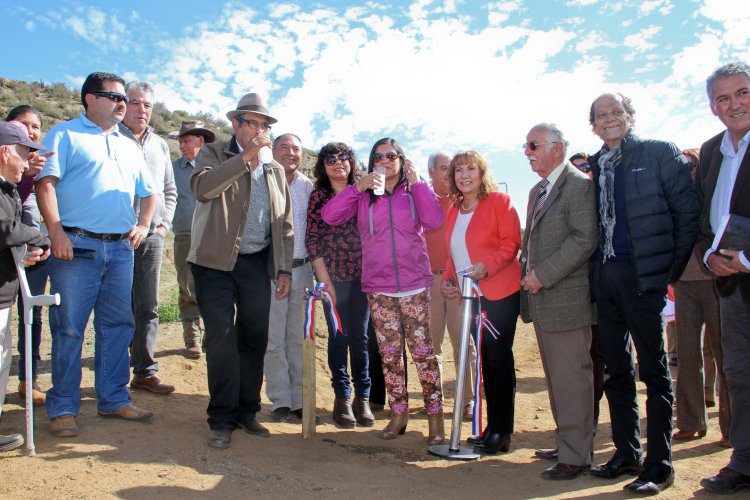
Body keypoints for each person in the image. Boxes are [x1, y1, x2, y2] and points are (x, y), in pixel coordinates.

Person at [586, 92, 700, 495]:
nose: (610, 119)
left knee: (654, 374)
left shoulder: (658, 153)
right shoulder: (596, 164)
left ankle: (660, 464)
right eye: (602, 115)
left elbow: (687, 214)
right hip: (607, 280)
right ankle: (626, 453)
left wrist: (665, 271)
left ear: (630, 116)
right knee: (617, 371)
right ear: (594, 125)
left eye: (617, 111)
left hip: (645, 280)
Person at [36, 71, 157, 438]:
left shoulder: (128, 145)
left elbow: (149, 191)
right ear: (90, 98)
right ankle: (63, 407)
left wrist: (144, 224)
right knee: (70, 328)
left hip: (121, 248)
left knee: (118, 326)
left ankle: (113, 398)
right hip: (77, 246)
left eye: (125, 99)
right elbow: (45, 184)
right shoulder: (64, 134)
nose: (123, 104)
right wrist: (55, 232)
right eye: (115, 97)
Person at [188, 92, 293, 449]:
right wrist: (246, 159)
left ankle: (247, 412)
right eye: (253, 123)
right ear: (236, 124)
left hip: (254, 263)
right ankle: (221, 418)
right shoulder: (214, 153)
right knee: (221, 338)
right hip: (213, 263)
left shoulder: (276, 170)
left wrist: (284, 270)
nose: (260, 130)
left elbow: (285, 224)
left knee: (254, 339)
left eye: (265, 124)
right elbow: (203, 189)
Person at [323, 138, 444, 444]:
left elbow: (433, 220)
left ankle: (435, 419)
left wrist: (417, 184)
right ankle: (399, 414)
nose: (385, 160)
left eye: (392, 155)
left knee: (423, 354)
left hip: (415, 285)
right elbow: (330, 216)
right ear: (372, 162)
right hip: (379, 288)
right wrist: (356, 187)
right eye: (378, 156)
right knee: (390, 356)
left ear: (402, 160)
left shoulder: (414, 191)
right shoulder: (364, 196)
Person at [519, 125, 597, 479]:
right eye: (526, 146)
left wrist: (542, 276)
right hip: (544, 303)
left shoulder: (579, 185)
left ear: (558, 148)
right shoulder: (538, 190)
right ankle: (567, 443)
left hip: (566, 300)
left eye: (534, 145)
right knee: (557, 380)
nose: (528, 152)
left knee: (572, 380)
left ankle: (577, 457)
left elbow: (584, 240)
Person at [441, 151, 521, 455]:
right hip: (470, 296)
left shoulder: (499, 201)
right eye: (458, 170)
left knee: (498, 359)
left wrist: (485, 267)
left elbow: (510, 243)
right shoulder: (453, 209)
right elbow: (455, 252)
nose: (464, 175)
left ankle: (502, 431)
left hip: (498, 293)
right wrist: (449, 278)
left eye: (470, 169)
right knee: (487, 360)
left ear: (481, 172)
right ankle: (491, 428)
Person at [697, 62, 750, 495]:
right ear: (713, 107)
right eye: (724, 98)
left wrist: (746, 257)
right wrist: (709, 255)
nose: (735, 104)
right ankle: (745, 461)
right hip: (730, 286)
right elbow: (702, 217)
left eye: (743, 93)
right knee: (740, 374)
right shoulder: (713, 150)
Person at [306, 142, 373, 428]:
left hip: (365, 278)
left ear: (351, 162)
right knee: (338, 337)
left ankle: (364, 398)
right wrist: (325, 282)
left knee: (361, 338)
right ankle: (342, 398)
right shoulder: (318, 196)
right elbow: (313, 241)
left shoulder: (367, 191)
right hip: (333, 280)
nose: (338, 162)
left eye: (343, 157)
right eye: (330, 159)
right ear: (323, 166)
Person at [119, 81, 177, 395]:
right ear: (122, 104)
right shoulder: (111, 137)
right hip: (116, 236)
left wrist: (163, 226)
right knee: (115, 306)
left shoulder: (160, 145)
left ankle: (144, 371)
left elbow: (169, 190)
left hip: (152, 237)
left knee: (148, 305)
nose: (142, 109)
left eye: (147, 105)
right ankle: (113, 376)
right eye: (136, 102)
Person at [672, 148, 729, 447]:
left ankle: (732, 428)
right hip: (684, 283)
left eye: (691, 164)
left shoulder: (713, 194)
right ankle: (690, 421)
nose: (686, 169)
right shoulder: (674, 198)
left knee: (725, 353)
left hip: (716, 281)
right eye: (681, 165)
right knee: (688, 354)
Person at [0, 120, 50, 453]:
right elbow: (5, 229)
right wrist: (37, 237)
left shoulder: (7, 189)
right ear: (5, 152)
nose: (26, 162)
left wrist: (25, 253)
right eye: (23, 154)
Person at [264, 133, 313, 423]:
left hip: (303, 269)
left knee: (298, 337)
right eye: (284, 146)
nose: (290, 152)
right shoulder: (263, 179)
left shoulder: (309, 187)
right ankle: (280, 399)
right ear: (273, 150)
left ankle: (298, 398)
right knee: (274, 338)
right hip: (272, 270)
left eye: (296, 148)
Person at [424, 151, 476, 420]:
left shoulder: (464, 202)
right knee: (431, 344)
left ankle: (468, 399)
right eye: (445, 168)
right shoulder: (420, 201)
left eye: (452, 169)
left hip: (458, 280)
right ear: (431, 172)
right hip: (428, 281)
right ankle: (434, 398)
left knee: (462, 341)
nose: (450, 173)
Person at [172, 120, 215, 359]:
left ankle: (212, 336)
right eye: (180, 142)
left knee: (213, 288)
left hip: (214, 237)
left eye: (186, 141)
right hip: (185, 235)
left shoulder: (219, 166)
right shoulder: (174, 168)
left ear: (201, 141)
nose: (182, 146)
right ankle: (192, 339)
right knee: (187, 288)